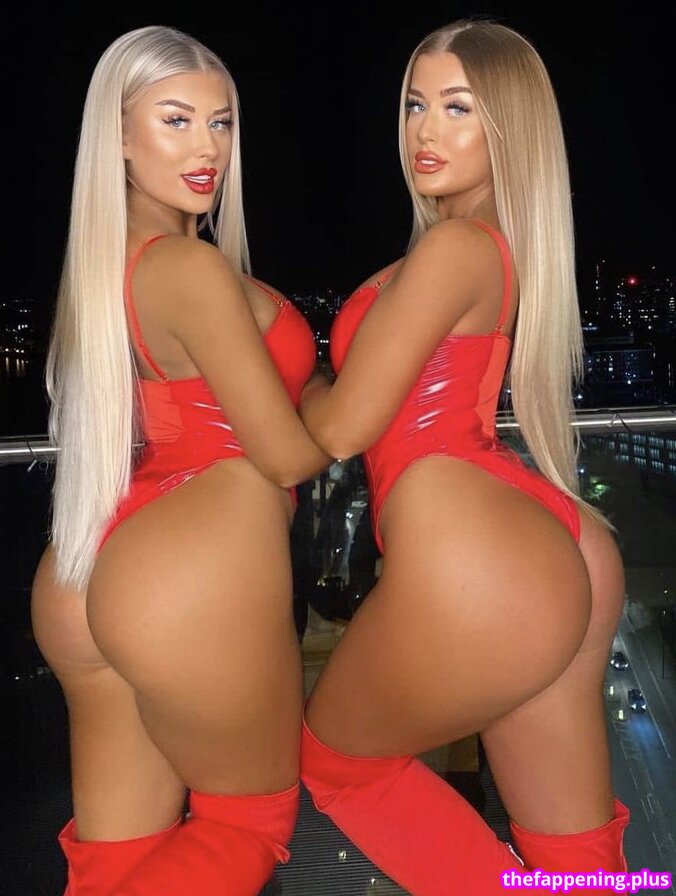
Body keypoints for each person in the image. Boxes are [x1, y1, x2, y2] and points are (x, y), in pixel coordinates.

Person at [297, 17, 629, 896]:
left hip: (482, 558)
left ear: (507, 127)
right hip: (553, 541)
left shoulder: (454, 247)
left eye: (457, 108)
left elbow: (340, 429)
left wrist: (293, 380)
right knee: (574, 858)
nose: (425, 130)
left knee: (338, 765)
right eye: (415, 104)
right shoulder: (491, 242)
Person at [30, 25, 330, 895]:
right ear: (118, 138)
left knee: (114, 864)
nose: (207, 148)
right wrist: (354, 389)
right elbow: (285, 455)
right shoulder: (186, 267)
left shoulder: (107, 265)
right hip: (189, 567)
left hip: (89, 564)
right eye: (175, 120)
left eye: (220, 122)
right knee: (245, 824)